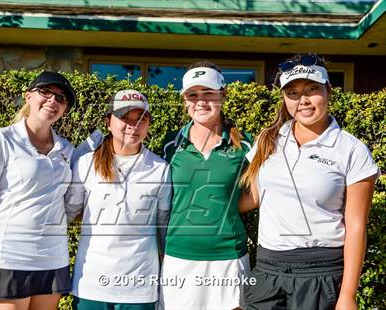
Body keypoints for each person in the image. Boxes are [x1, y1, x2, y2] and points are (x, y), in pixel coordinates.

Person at [239, 53, 379, 310]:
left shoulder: (352, 150)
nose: (302, 100)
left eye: (312, 89)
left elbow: (356, 225)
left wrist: (347, 295)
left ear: (328, 90)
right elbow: (256, 196)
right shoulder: (268, 140)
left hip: (321, 274)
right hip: (267, 272)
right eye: (292, 93)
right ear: (284, 98)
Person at [0, 71, 76, 310]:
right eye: (45, 92)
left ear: (64, 108)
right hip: (7, 260)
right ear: (28, 97)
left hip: (52, 261)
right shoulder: (1, 140)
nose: (52, 101)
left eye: (60, 98)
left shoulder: (67, 149)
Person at [65, 90, 171, 310]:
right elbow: (68, 213)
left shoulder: (161, 168)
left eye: (141, 119)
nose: (133, 125)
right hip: (91, 284)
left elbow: (163, 230)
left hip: (140, 287)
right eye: (124, 118)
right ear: (108, 122)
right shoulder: (86, 163)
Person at [159, 62, 253, 310]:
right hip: (178, 258)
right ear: (185, 101)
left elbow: (259, 193)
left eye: (208, 93)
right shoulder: (169, 144)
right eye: (193, 95)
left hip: (229, 258)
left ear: (223, 94)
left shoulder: (245, 145)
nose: (200, 102)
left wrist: (226, 207)